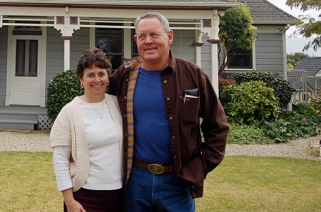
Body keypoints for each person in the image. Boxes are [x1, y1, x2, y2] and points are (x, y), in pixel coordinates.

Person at [108, 12, 229, 211]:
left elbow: (217, 127)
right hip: (135, 180)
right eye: (142, 36)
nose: (148, 41)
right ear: (136, 40)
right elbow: (96, 110)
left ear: (169, 36)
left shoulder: (192, 75)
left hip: (177, 183)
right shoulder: (123, 76)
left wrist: (198, 168)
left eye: (155, 35)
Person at [50, 48, 124, 212]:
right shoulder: (69, 112)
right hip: (85, 197)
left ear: (108, 77)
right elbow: (60, 161)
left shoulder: (118, 105)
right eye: (90, 75)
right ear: (80, 80)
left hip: (120, 195)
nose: (97, 79)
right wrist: (69, 201)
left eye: (101, 74)